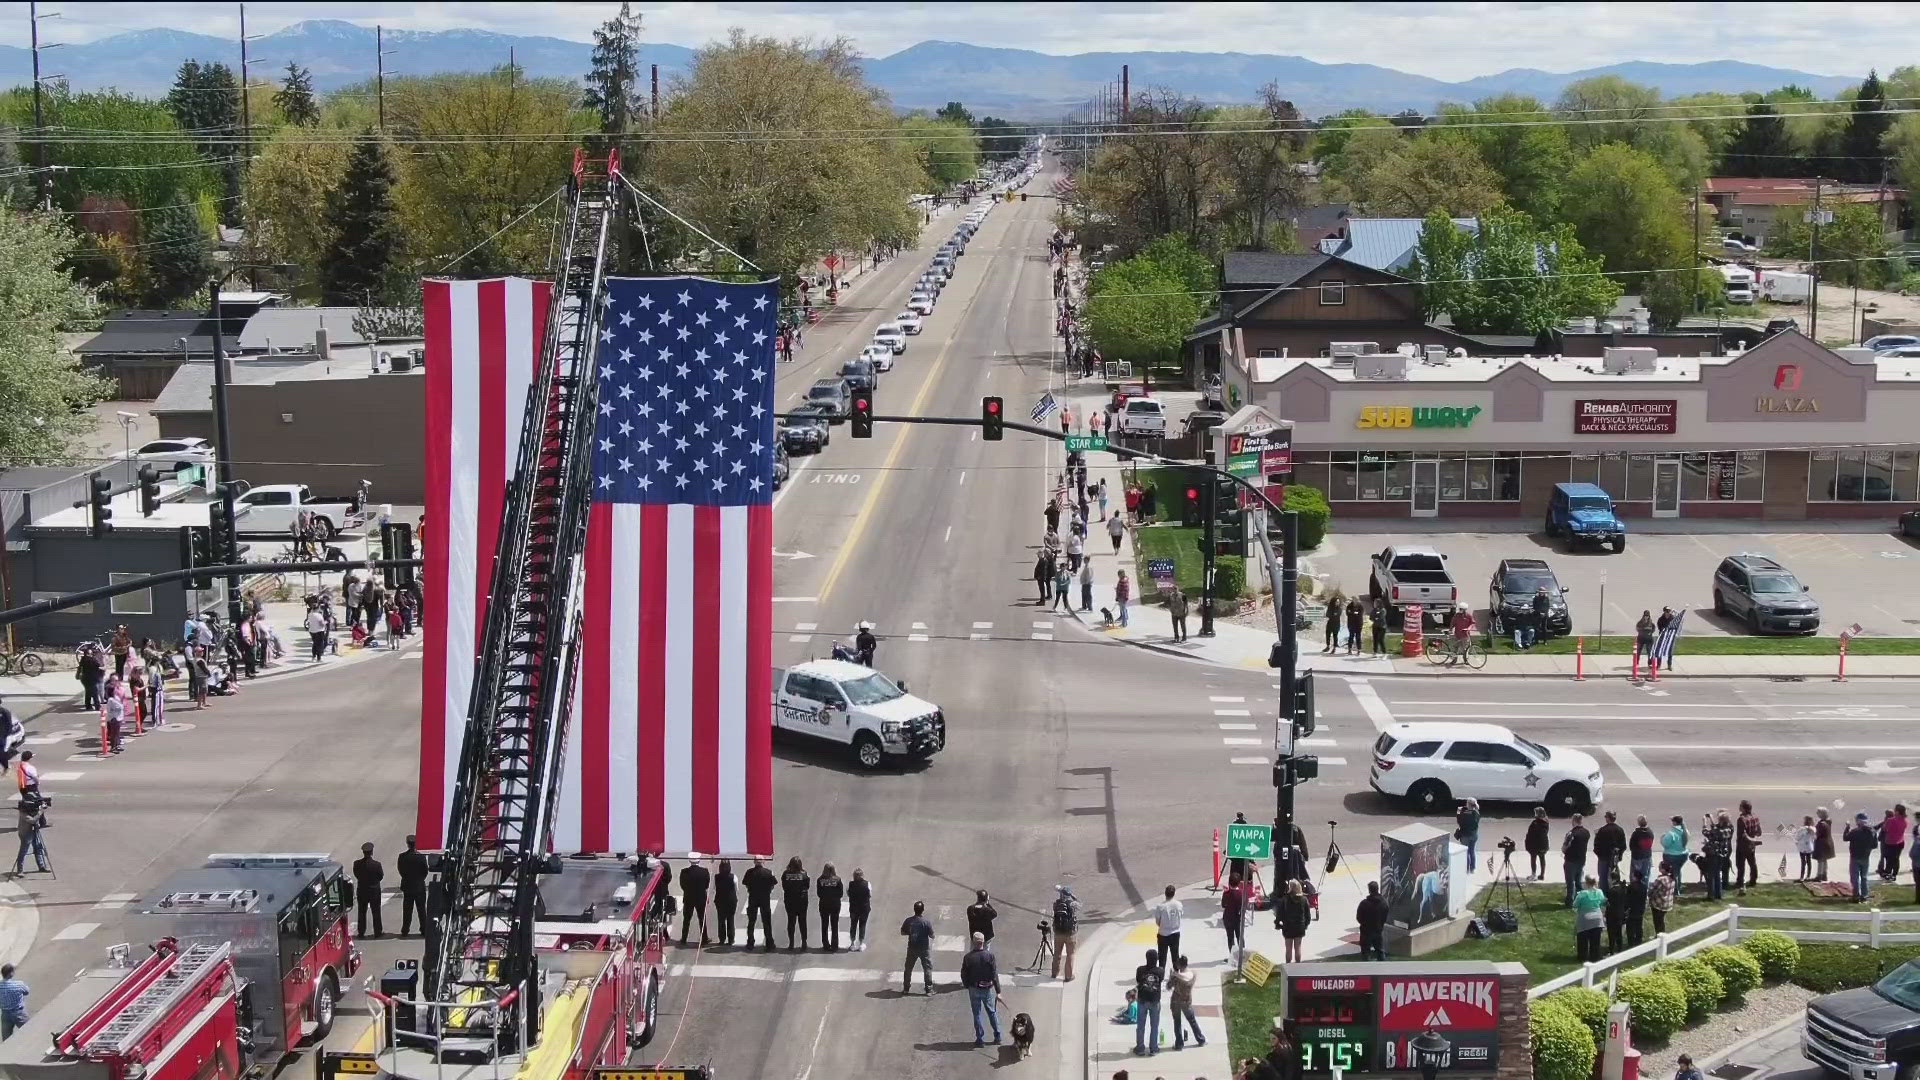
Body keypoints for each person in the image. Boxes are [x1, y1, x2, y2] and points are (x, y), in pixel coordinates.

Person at [961, 932, 1003, 1047]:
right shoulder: (990, 956)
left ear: (974, 942)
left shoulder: (968, 957)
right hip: (987, 988)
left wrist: (967, 985)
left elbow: (964, 974)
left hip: (974, 988)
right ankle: (997, 1035)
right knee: (992, 1012)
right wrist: (998, 991)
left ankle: (980, 1039)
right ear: (983, 942)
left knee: (977, 1014)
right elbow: (994, 974)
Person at [1169, 955, 1204, 1050]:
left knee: (1177, 1022)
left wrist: (1172, 976)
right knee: (1192, 1021)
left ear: (1180, 965)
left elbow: (1168, 986)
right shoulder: (1193, 974)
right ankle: (1201, 1039)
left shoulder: (1177, 976)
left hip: (1176, 1001)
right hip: (1187, 1001)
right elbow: (1187, 978)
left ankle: (1179, 1044)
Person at [397, 835, 430, 937]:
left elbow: (401, 870)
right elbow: (425, 871)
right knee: (421, 910)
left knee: (407, 910)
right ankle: (424, 929)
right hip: (419, 886)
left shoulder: (402, 857)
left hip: (407, 886)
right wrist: (419, 879)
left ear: (407, 844)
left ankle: (405, 930)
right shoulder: (421, 857)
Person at [1131, 949, 1163, 1056]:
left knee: (1141, 1025)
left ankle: (1140, 1048)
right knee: (1154, 1026)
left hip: (1142, 1001)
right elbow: (1161, 980)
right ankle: (1153, 1048)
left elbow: (1138, 980)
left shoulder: (1140, 970)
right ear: (1156, 959)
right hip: (1155, 1001)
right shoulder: (1160, 971)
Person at [742, 856, 776, 951]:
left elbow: (745, 883)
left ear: (754, 862)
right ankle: (769, 943)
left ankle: (750, 942)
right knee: (766, 922)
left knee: (751, 921)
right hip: (765, 899)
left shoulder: (749, 872)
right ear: (763, 862)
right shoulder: (768, 872)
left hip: (753, 898)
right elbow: (773, 884)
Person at [901, 900, 935, 994]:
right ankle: (929, 989)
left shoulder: (909, 921)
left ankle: (906, 988)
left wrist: (911, 932)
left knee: (908, 968)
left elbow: (902, 932)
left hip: (912, 947)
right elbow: (932, 935)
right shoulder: (926, 922)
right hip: (924, 948)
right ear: (922, 910)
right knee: (927, 968)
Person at [13, 790, 49, 877]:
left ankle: (41, 866)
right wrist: (40, 812)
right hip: (25, 832)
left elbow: (36, 818)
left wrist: (40, 809)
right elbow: (32, 820)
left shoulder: (33, 808)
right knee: (23, 851)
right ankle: (20, 870)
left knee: (38, 847)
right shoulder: (23, 811)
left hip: (34, 830)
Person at [353, 842, 385, 937]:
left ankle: (361, 931)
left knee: (362, 912)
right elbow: (380, 876)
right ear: (372, 852)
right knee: (376, 912)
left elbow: (357, 875)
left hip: (362, 890)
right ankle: (377, 932)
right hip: (374, 890)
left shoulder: (357, 864)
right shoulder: (376, 865)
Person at [679, 857, 712, 946]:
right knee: (702, 919)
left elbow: (682, 885)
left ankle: (684, 938)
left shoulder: (684, 872)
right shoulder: (704, 871)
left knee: (686, 919)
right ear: (699, 860)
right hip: (701, 898)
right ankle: (704, 938)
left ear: (690, 861)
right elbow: (707, 884)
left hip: (688, 898)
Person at [1572, 875, 1606, 962]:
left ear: (1586, 882)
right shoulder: (1599, 892)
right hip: (1597, 918)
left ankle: (1582, 956)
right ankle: (1594, 956)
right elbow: (1602, 902)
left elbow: (1575, 904)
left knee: (1582, 939)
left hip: (1585, 918)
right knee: (1595, 940)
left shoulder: (1582, 894)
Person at [1052, 883, 1081, 981]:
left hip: (1058, 932)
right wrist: (1073, 897)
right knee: (1070, 954)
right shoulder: (1073, 904)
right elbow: (1080, 906)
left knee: (1057, 953)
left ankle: (1054, 973)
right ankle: (1068, 976)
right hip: (1070, 934)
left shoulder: (1056, 904)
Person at [1845, 812, 1877, 902]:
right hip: (1865, 857)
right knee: (1864, 877)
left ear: (1858, 821)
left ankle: (1856, 895)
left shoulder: (1855, 831)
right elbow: (1874, 845)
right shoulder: (1872, 832)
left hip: (1855, 856)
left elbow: (1845, 838)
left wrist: (1847, 827)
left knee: (1854, 877)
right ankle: (1864, 895)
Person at [1703, 810, 1735, 900]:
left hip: (1714, 854)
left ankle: (1711, 895)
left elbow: (1706, 833)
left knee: (1711, 875)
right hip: (1723, 854)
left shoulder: (1717, 831)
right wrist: (1712, 820)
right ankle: (1718, 894)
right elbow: (1716, 828)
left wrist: (1704, 822)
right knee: (1717, 874)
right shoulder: (1730, 829)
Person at [781, 856, 812, 949]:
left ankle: (791, 943)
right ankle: (804, 942)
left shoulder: (785, 874)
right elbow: (807, 886)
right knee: (802, 921)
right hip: (802, 900)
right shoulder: (804, 874)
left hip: (790, 900)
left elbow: (784, 887)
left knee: (791, 921)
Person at [1277, 879, 1310, 964]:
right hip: (1299, 926)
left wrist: (1279, 924)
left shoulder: (1285, 899)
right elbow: (1308, 915)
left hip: (1288, 926)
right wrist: (1305, 925)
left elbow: (1280, 914)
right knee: (1298, 948)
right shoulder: (1304, 899)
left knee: (1288, 948)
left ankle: (1288, 965)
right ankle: (1298, 966)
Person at [1151, 884, 1182, 973]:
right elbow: (1180, 916)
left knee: (1162, 956)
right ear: (1174, 894)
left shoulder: (1160, 907)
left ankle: (1161, 973)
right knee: (1175, 955)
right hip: (1175, 933)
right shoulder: (1179, 905)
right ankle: (1176, 973)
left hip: (1163, 934)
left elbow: (1158, 921)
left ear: (1165, 894)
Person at [1562, 813, 1591, 908]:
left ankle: (1569, 901)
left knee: (1570, 882)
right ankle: (1581, 900)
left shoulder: (1571, 834)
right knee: (1578, 881)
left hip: (1571, 860)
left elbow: (1564, 848)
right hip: (1581, 859)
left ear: (1574, 821)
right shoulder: (1586, 832)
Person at [1734, 800, 1763, 892]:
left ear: (1743, 808)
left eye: (1740, 806)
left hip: (1742, 845)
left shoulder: (1741, 819)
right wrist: (1754, 839)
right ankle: (1753, 880)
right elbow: (1759, 832)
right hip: (1751, 845)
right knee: (1752, 863)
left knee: (1740, 864)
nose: (1739, 807)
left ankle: (1740, 882)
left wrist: (1748, 839)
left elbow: (1741, 834)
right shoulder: (1755, 817)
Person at [814, 862, 844, 951]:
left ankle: (826, 944)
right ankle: (835, 945)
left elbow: (819, 893)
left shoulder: (820, 880)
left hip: (824, 904)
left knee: (824, 925)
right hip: (835, 904)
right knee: (834, 925)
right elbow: (841, 893)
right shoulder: (838, 880)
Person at [1356, 882, 1388, 960]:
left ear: (1369, 890)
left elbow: (1359, 917)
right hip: (1378, 930)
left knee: (1365, 953)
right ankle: (1382, 969)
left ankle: (1366, 970)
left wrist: (1364, 924)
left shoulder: (1364, 903)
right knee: (1380, 951)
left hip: (1366, 931)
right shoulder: (1384, 903)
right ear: (1378, 889)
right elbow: (1385, 917)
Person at [709, 859, 737, 946]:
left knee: (721, 920)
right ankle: (731, 939)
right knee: (730, 919)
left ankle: (722, 939)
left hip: (720, 900)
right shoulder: (733, 877)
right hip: (731, 900)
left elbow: (713, 889)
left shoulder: (716, 877)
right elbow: (736, 889)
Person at [1880, 805, 1910, 883]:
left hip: (1890, 842)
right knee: (1896, 859)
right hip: (1900, 842)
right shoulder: (1905, 821)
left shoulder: (1890, 820)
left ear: (1897, 812)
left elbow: (1885, 829)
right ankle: (1894, 875)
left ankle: (1887, 873)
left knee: (1889, 859)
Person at [1594, 811, 1627, 881]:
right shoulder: (1620, 830)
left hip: (1603, 857)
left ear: (1608, 818)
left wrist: (1599, 855)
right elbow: (1623, 846)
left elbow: (1596, 845)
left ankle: (1604, 891)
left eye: (1606, 817)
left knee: (1603, 878)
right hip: (1615, 858)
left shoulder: (1602, 830)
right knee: (1614, 877)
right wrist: (1619, 856)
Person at [1603, 874, 1630, 956]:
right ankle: (1620, 948)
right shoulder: (1623, 889)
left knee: (1611, 933)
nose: (1608, 880)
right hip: (1620, 913)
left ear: (1613, 880)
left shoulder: (1612, 891)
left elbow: (1607, 902)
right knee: (1619, 932)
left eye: (1609, 878)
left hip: (1612, 915)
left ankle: (1611, 950)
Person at [1223, 873, 1246, 960]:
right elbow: (1244, 905)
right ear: (1239, 883)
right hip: (1238, 918)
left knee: (1230, 938)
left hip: (1228, 918)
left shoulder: (1226, 894)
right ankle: (1242, 956)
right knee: (1240, 936)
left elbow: (1223, 905)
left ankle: (1232, 957)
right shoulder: (1241, 894)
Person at [1661, 814, 1691, 883]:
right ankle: (1678, 887)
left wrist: (1662, 838)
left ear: (1674, 823)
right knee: (1677, 871)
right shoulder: (1685, 832)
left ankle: (1674, 889)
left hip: (1672, 855)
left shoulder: (1671, 833)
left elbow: (1665, 844)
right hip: (1683, 855)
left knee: (1672, 873)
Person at [0, 963, 27, 1040]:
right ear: (10, 973)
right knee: (29, 1030)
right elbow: (26, 991)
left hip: (5, 1014)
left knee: (6, 1038)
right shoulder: (18, 984)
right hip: (19, 1012)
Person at [1649, 863, 1677, 935]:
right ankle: (1661, 934)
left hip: (1658, 904)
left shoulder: (1660, 879)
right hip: (1667, 904)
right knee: (1661, 920)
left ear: (1663, 869)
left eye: (1660, 867)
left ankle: (1659, 936)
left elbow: (1652, 890)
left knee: (1657, 922)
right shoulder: (1672, 878)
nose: (1659, 867)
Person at [846, 868, 870, 951]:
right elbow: (869, 894)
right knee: (862, 925)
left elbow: (848, 893)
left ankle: (852, 943)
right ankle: (861, 943)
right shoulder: (867, 884)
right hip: (864, 908)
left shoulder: (850, 884)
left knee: (853, 925)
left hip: (854, 908)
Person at [1456, 798, 1482, 873]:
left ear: (1468, 804)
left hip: (1465, 835)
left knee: (1466, 852)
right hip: (1474, 835)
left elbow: (1459, 820)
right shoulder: (1476, 813)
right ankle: (1472, 868)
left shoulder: (1464, 814)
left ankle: (1466, 868)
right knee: (1472, 851)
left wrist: (1459, 811)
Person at [1525, 807, 1551, 881]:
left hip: (1535, 845)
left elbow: (1531, 834)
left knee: (1533, 859)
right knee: (1542, 858)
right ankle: (1542, 874)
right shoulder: (1546, 823)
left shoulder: (1535, 823)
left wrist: (1527, 843)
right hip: (1543, 844)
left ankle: (1534, 874)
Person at [78, 645, 103, 710]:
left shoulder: (83, 660)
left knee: (88, 692)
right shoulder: (92, 660)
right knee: (95, 692)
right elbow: (98, 665)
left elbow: (80, 668)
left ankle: (88, 705)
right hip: (92, 678)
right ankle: (97, 706)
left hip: (85, 678)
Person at [1814, 807, 1835, 882]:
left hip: (1822, 843)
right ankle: (1824, 875)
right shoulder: (1828, 822)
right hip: (1827, 843)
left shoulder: (1822, 824)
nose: (1817, 814)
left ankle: (1819, 876)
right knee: (1824, 860)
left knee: (1821, 860)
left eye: (1818, 813)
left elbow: (1818, 834)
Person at [1795, 815, 1817, 882]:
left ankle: (1802, 877)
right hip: (1809, 847)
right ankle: (1808, 876)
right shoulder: (1814, 829)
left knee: (1803, 862)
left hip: (1802, 847)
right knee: (1809, 861)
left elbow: (1797, 838)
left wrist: (1797, 842)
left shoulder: (1801, 829)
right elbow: (1815, 838)